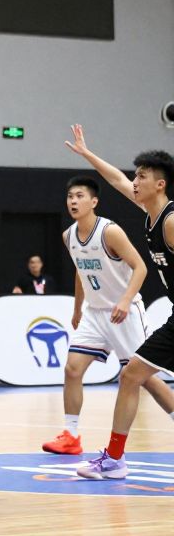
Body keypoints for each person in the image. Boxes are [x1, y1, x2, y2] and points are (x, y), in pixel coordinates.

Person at [64, 125, 174, 480]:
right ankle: (114, 459)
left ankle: (113, 459)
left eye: (141, 176)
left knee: (133, 375)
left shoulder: (171, 222)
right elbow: (115, 180)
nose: (134, 181)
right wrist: (87, 154)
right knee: (131, 375)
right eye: (135, 176)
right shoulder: (150, 211)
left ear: (160, 184)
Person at [42, 177, 174, 455]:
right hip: (94, 313)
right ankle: (71, 435)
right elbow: (81, 271)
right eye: (70, 197)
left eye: (79, 196)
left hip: (124, 313)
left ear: (94, 202)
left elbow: (140, 267)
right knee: (72, 369)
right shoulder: (68, 236)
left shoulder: (109, 231)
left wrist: (125, 301)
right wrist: (77, 308)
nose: (73, 201)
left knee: (145, 378)